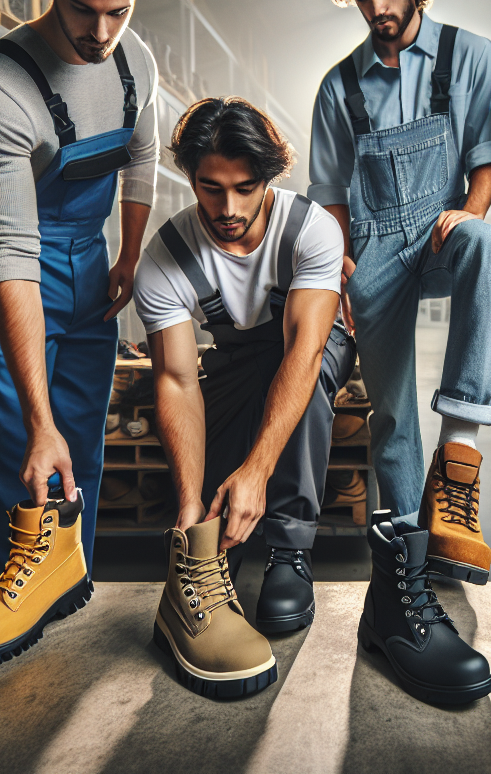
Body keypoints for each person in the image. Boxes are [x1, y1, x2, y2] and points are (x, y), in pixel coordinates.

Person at [308, 0, 491, 584]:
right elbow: (330, 192)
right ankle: (408, 556)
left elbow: (488, 157)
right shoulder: (339, 88)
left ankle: (457, 468)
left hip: (443, 229)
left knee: (489, 244)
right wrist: (340, 270)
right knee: (390, 411)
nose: (377, 9)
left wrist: (469, 213)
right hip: (373, 250)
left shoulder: (472, 55)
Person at [133, 98, 354, 692]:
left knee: (300, 374)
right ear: (189, 176)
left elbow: (304, 350)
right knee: (208, 489)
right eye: (209, 189)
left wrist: (256, 471)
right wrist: (187, 503)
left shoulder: (312, 230)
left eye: (244, 187)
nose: (227, 208)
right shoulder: (164, 258)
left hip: (311, 340)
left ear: (268, 177)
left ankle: (289, 548)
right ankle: (203, 558)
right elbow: (176, 381)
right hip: (235, 356)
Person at [0, 0, 158, 582]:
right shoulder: (3, 85)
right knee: (27, 449)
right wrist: (37, 423)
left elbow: (141, 156)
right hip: (17, 272)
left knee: (83, 445)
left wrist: (129, 253)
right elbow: (13, 253)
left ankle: (71, 587)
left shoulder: (134, 59)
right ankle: (9, 597)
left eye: (119, 11)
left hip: (93, 263)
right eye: (83, 10)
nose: (102, 33)